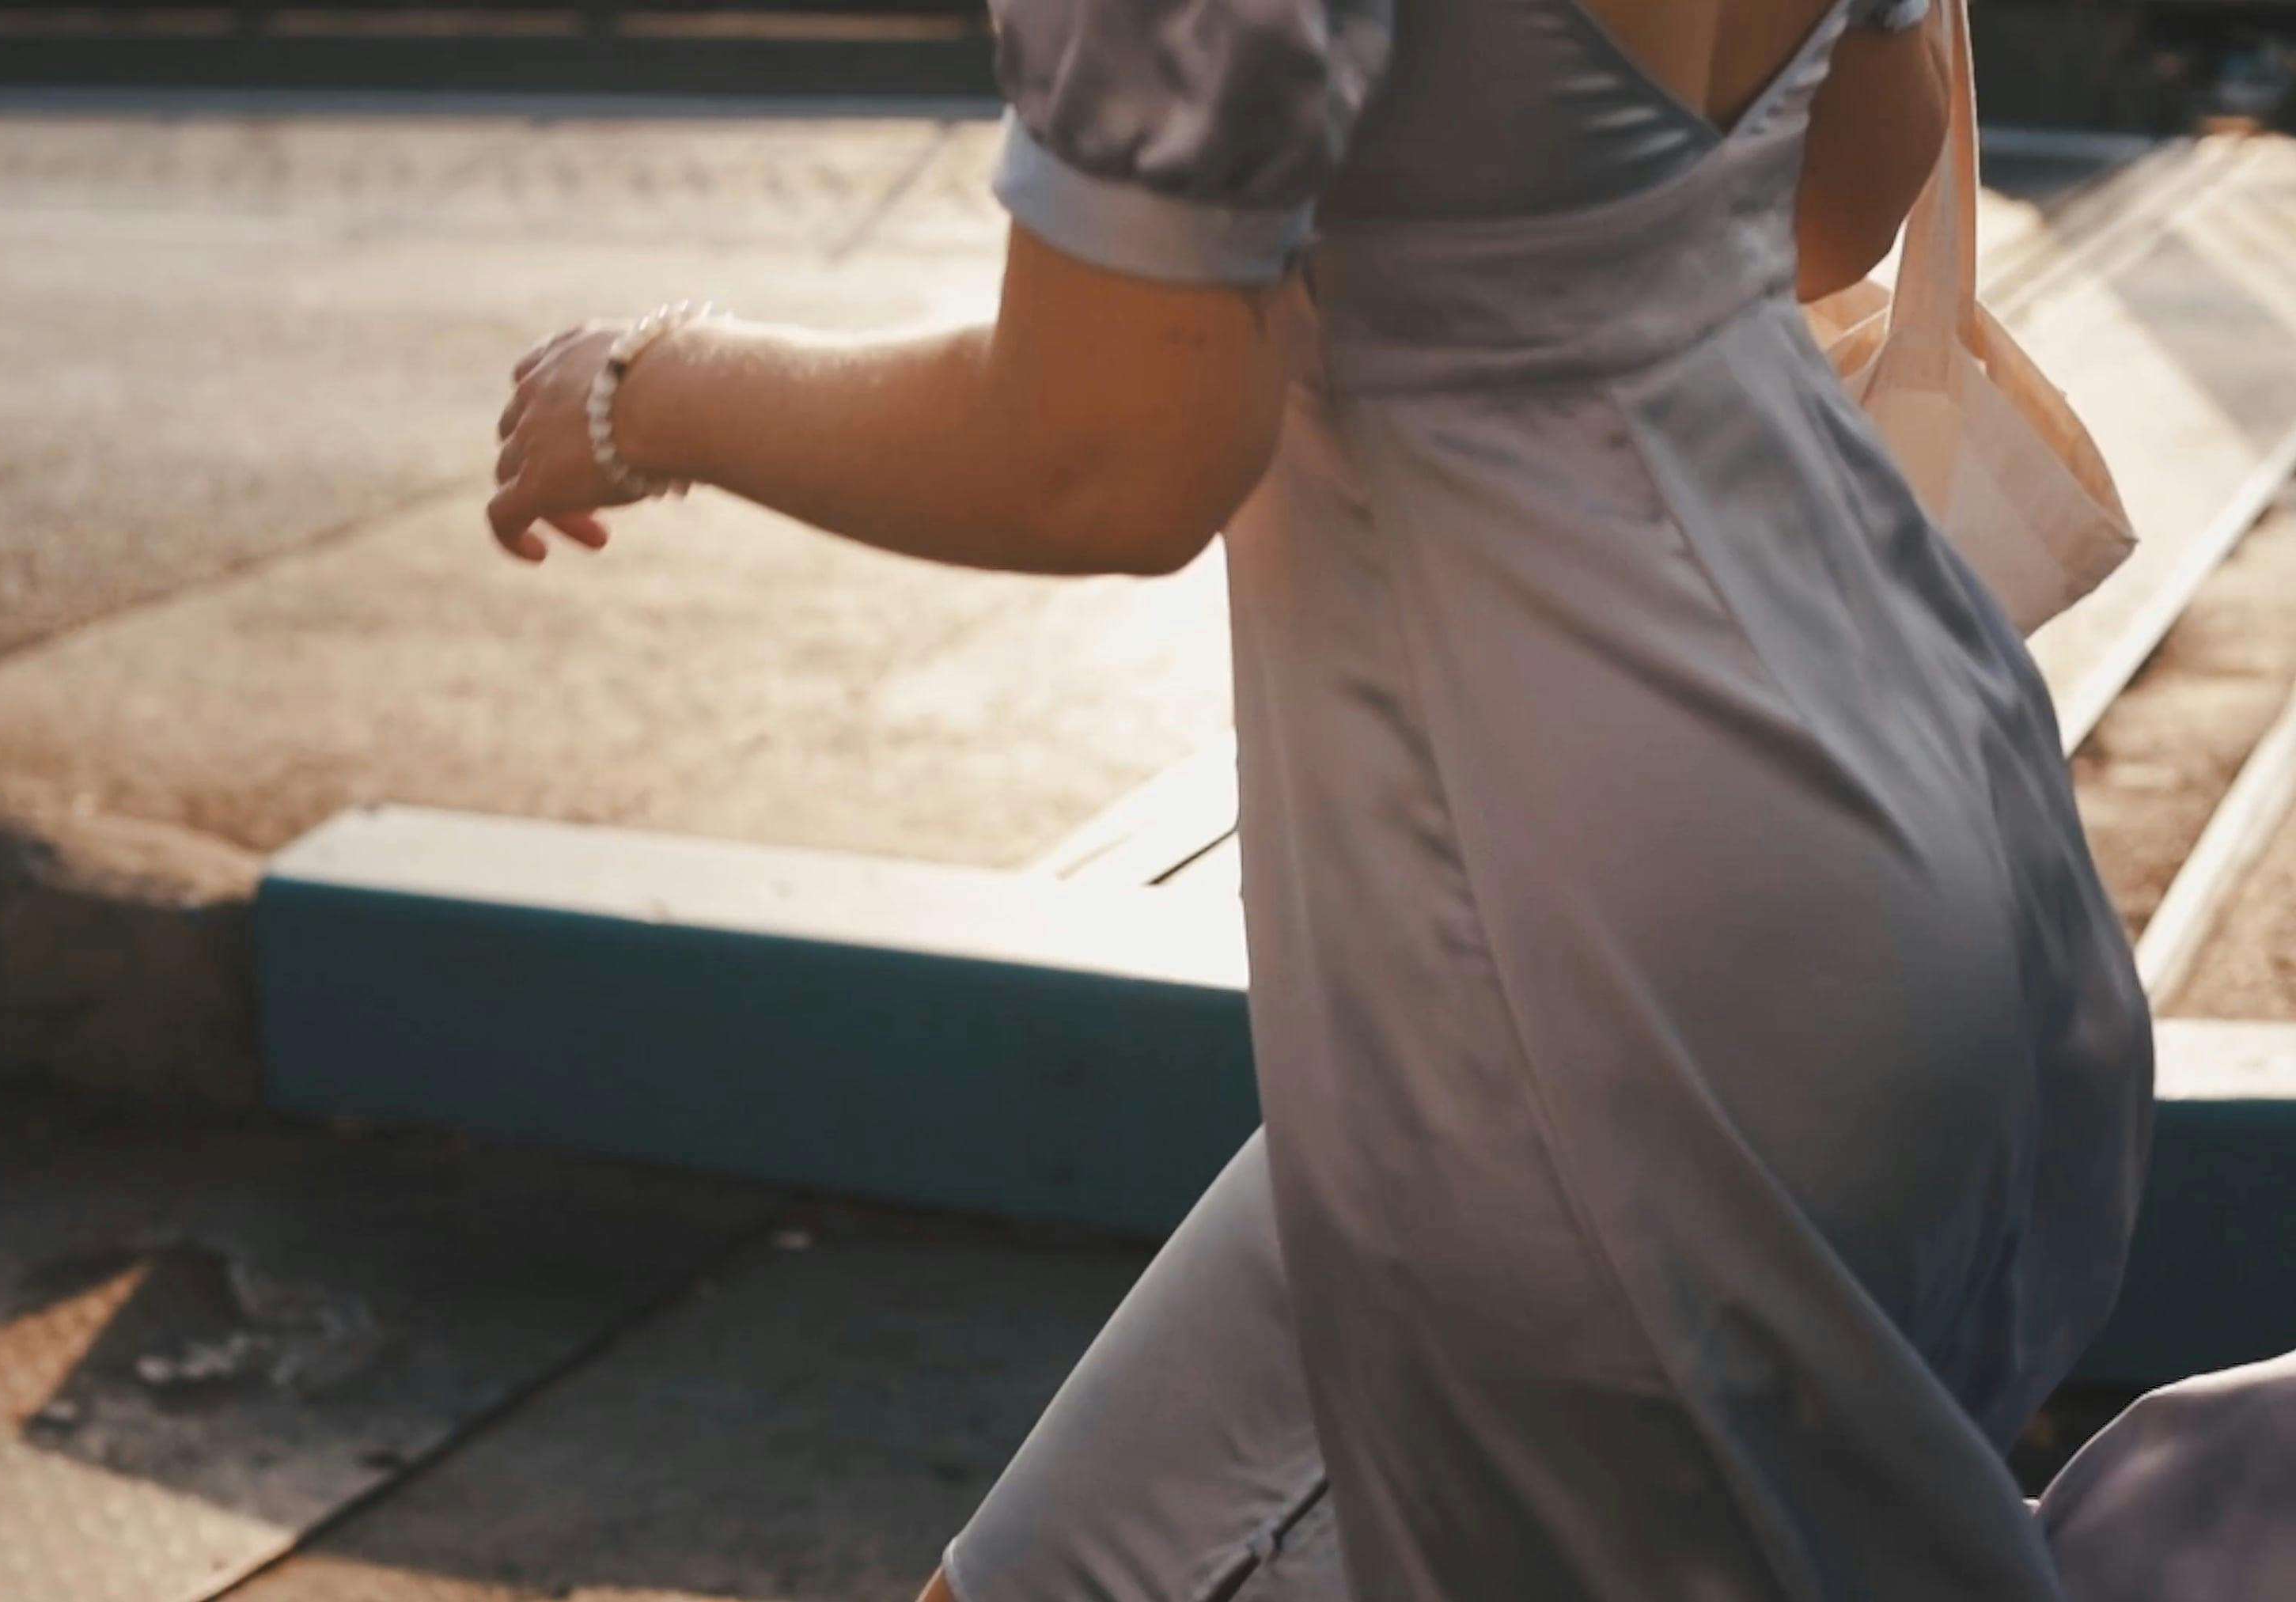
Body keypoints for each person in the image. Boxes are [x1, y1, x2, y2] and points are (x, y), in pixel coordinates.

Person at [490, 0, 2156, 1595]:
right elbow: (1843, 196)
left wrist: (649, 388)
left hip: (1571, 948)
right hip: (1907, 779)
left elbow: (1110, 449)